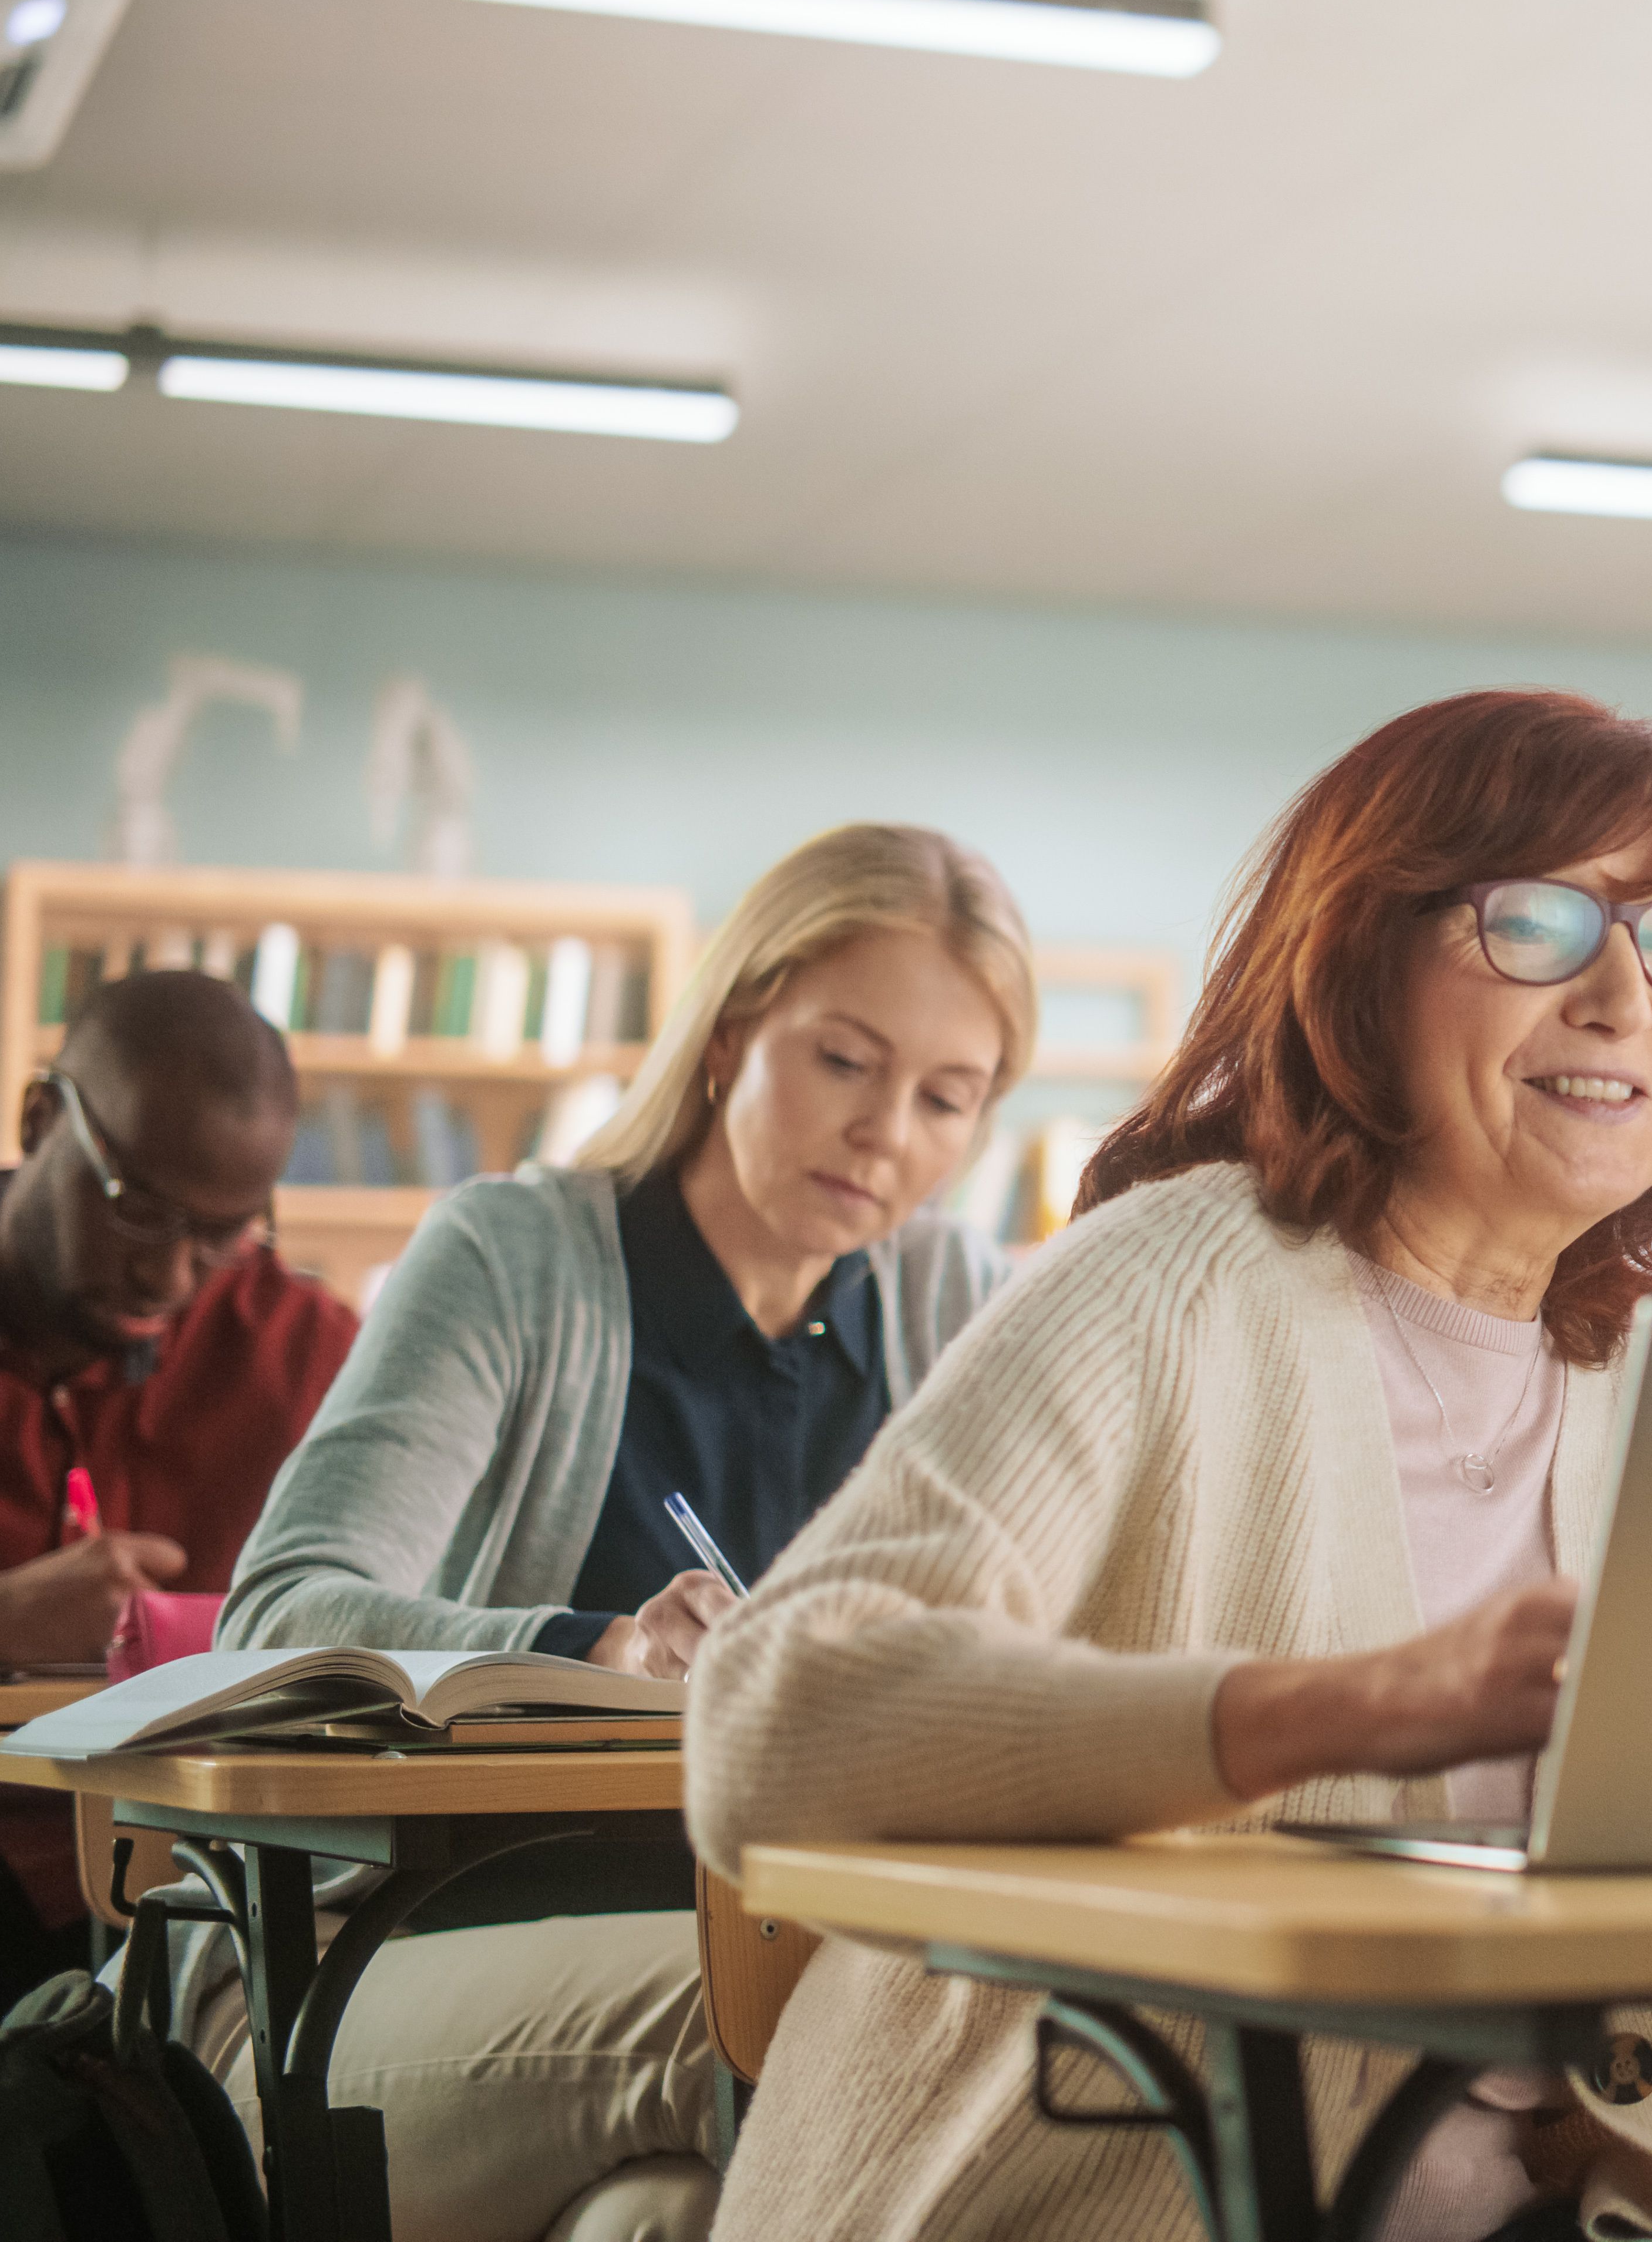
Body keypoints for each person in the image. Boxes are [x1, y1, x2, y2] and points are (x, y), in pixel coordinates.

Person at [688, 692, 1652, 2242]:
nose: (1626, 995)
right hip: (1114, 2199)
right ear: (1364, 959)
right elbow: (767, 1720)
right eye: (1540, 922)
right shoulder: (1170, 1279)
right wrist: (1345, 1705)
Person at [211, 821, 1035, 2242]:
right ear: (728, 1037)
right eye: (844, 1061)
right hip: (387, 1959)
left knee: (671, 2218)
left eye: (949, 1098)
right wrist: (594, 1647)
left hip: (732, 1969)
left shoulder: (957, 1300)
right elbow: (281, 1615)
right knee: (840, 2026)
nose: (887, 1135)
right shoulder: (513, 1259)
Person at [0, 971, 356, 2062]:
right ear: (43, 1119)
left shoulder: (303, 1347)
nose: (172, 1272)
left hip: (219, 1860)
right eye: (137, 1206)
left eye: (223, 1233)